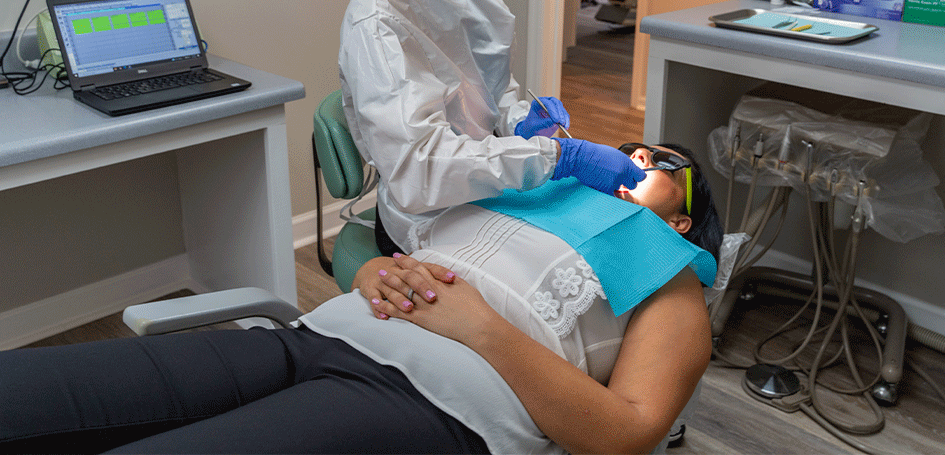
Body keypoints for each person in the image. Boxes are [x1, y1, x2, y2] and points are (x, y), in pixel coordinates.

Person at [0, 143, 722, 455]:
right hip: (312, 336)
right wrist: (372, 271)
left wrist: (484, 331)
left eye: (663, 164)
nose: (637, 158)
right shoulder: (529, 191)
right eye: (633, 148)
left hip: (430, 401)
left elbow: (628, 434)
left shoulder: (672, 269)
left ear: (683, 220)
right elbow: (396, 246)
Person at [339, 0, 646, 258]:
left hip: (487, 184)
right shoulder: (378, 23)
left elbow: (492, 92)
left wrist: (521, 121)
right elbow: (420, 169)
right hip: (427, 216)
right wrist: (558, 157)